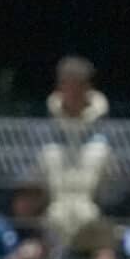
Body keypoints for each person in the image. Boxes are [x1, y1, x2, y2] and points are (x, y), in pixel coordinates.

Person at [38, 55, 113, 245]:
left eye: (78, 86)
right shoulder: (44, 131)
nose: (72, 92)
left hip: (94, 230)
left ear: (88, 88)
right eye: (67, 85)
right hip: (49, 229)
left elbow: (115, 190)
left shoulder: (107, 131)